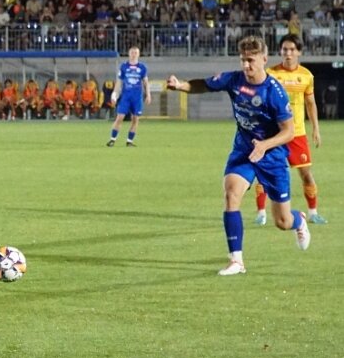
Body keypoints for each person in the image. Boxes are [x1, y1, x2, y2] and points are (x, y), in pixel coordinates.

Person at [166, 36, 311, 275]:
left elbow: (289, 132)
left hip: (271, 157)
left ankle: (299, 220)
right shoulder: (234, 80)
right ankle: (237, 260)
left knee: (282, 222)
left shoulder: (275, 93)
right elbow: (203, 84)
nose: (246, 66)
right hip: (244, 151)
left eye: (251, 61)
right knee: (231, 193)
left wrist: (265, 145)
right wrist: (181, 85)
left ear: (264, 59)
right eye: (243, 60)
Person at [254, 34, 326, 225]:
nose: (288, 53)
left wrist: (315, 129)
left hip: (297, 134)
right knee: (264, 174)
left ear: (299, 52)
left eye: (292, 50)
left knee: (306, 174)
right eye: (285, 49)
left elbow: (310, 103)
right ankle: (261, 214)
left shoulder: (306, 76)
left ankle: (313, 212)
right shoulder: (270, 74)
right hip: (274, 134)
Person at [107, 46, 151, 147]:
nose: (134, 54)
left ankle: (129, 141)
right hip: (126, 97)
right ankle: (112, 139)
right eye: (132, 52)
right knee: (119, 117)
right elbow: (119, 83)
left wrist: (148, 94)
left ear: (139, 54)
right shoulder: (123, 67)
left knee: (135, 119)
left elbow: (146, 82)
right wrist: (114, 95)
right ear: (129, 53)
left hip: (137, 98)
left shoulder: (142, 67)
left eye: (136, 52)